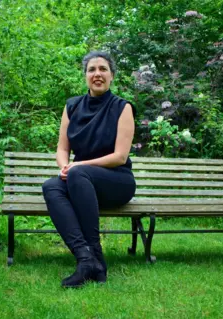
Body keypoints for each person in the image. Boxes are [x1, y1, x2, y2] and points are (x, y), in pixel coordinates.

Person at [41, 51, 137, 288]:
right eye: (92, 69)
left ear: (112, 76)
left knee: (77, 173)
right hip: (79, 181)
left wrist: (77, 166)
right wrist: (65, 167)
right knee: (51, 186)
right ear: (85, 76)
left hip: (116, 182)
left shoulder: (122, 108)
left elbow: (120, 156)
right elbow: (62, 149)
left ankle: (96, 254)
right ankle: (85, 259)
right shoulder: (72, 106)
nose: (97, 74)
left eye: (103, 69)